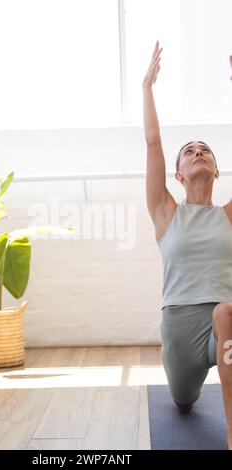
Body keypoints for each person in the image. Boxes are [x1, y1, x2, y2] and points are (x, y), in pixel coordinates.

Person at [143, 40, 232, 450]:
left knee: (227, 312)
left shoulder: (228, 215)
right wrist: (147, 88)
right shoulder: (166, 211)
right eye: (190, 152)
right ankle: (186, 391)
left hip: (224, 323)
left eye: (206, 150)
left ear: (216, 169)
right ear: (178, 174)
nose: (199, 153)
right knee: (183, 402)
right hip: (179, 329)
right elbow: (153, 144)